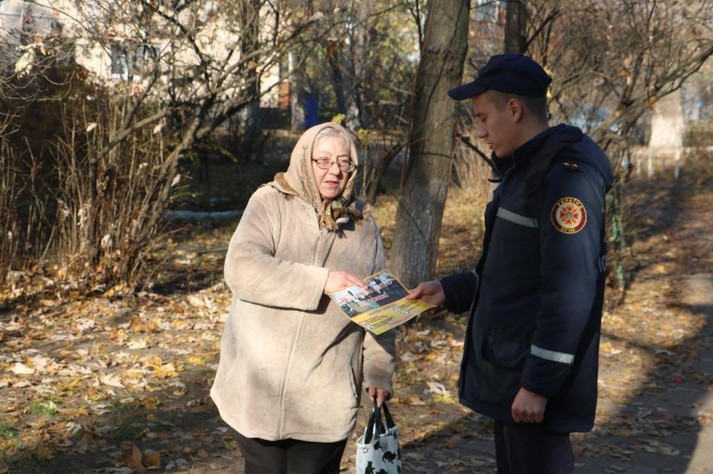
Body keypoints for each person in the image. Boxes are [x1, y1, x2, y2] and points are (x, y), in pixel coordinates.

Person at [408, 54, 613, 473]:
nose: (480, 131)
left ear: (515, 109)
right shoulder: (525, 170)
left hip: (532, 385)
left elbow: (571, 290)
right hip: (512, 371)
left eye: (484, 118)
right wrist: (450, 290)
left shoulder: (565, 179)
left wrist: (538, 385)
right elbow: (511, 270)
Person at [211, 122, 395, 474]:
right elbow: (241, 267)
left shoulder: (363, 224)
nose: (334, 170)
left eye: (343, 162)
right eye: (323, 160)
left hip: (324, 397)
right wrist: (322, 281)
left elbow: (379, 308)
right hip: (256, 389)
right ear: (304, 160)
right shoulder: (270, 202)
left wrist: (379, 372)